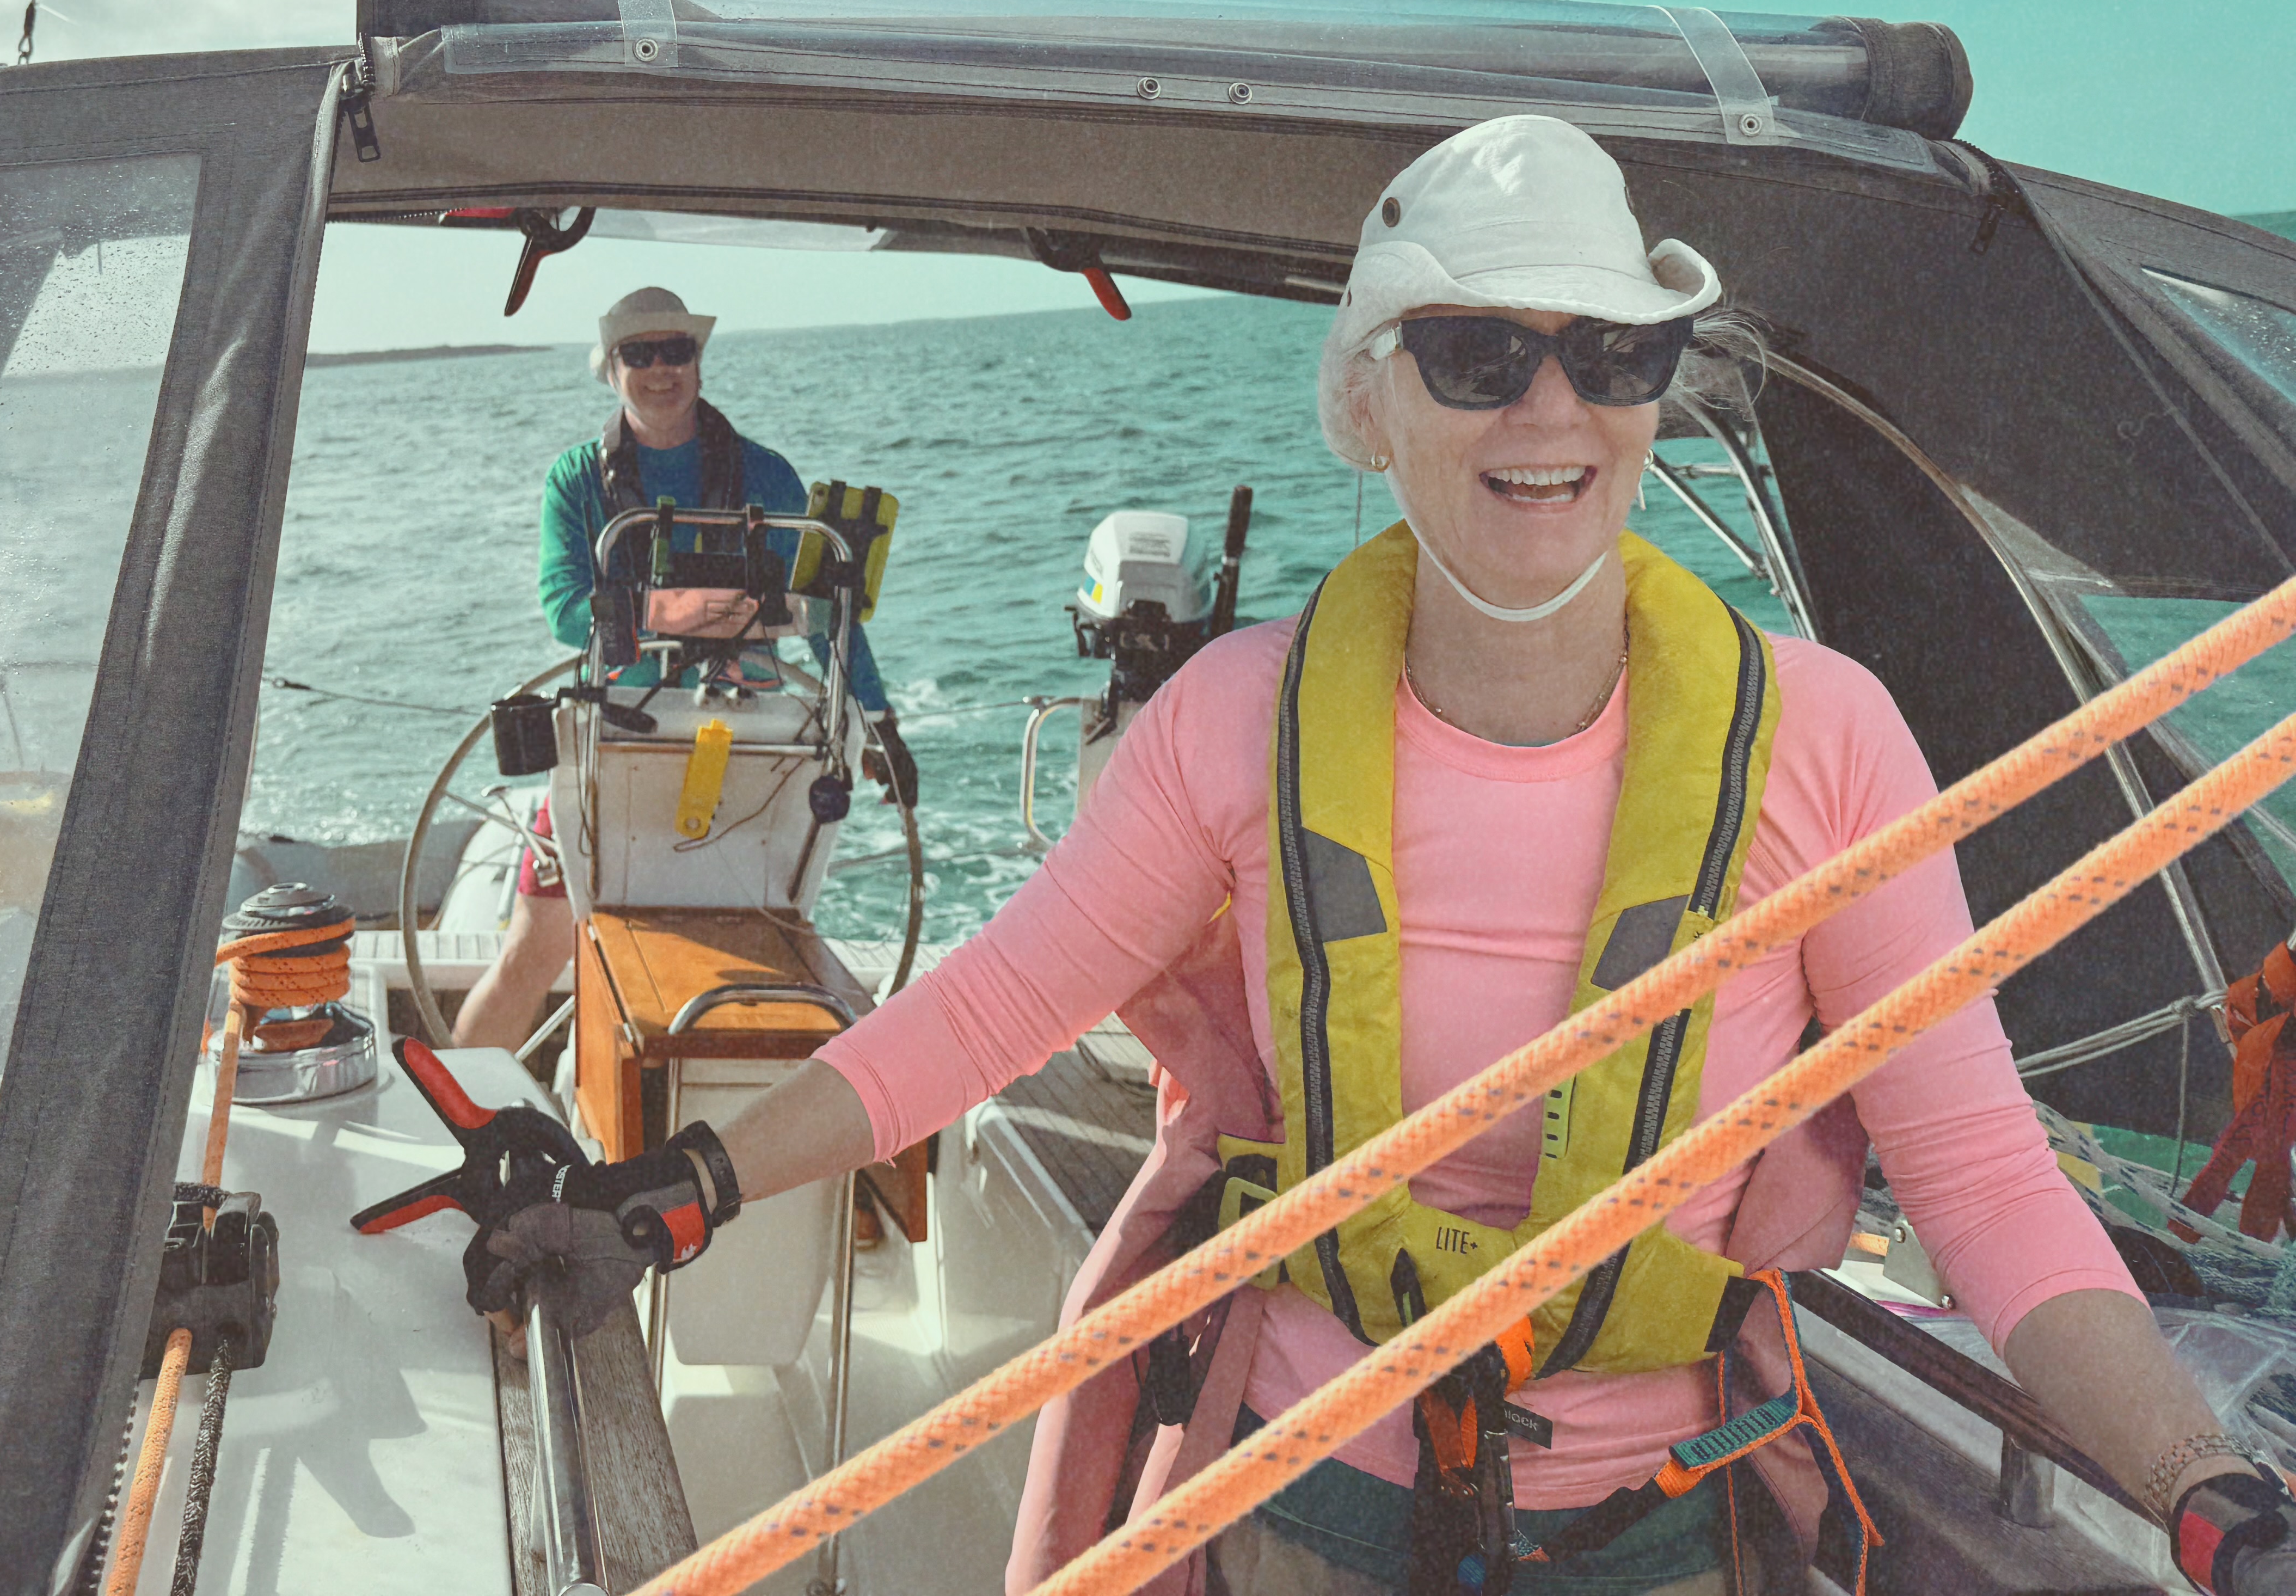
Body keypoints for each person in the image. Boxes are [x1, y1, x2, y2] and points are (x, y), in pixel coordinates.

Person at [458, 120, 2296, 1594]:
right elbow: (986, 1015)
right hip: (1293, 1510)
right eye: (1480, 351)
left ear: (1659, 386)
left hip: (1665, 1521)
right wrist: (681, 1182)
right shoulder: (1231, 722)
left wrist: (2204, 1489)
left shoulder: (1825, 739)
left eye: (1610, 350)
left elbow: (1978, 1178)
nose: (1549, 409)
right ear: (1371, 393)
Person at [453, 286, 916, 1051]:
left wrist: (882, 725)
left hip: (751, 743)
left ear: (699, 364)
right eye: (641, 353)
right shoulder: (575, 481)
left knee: (760, 933)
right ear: (611, 369)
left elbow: (831, 612)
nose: (661, 368)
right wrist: (674, 611)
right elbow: (566, 607)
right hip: (614, 738)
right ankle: (451, 1120)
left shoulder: (768, 477)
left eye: (679, 351)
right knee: (533, 953)